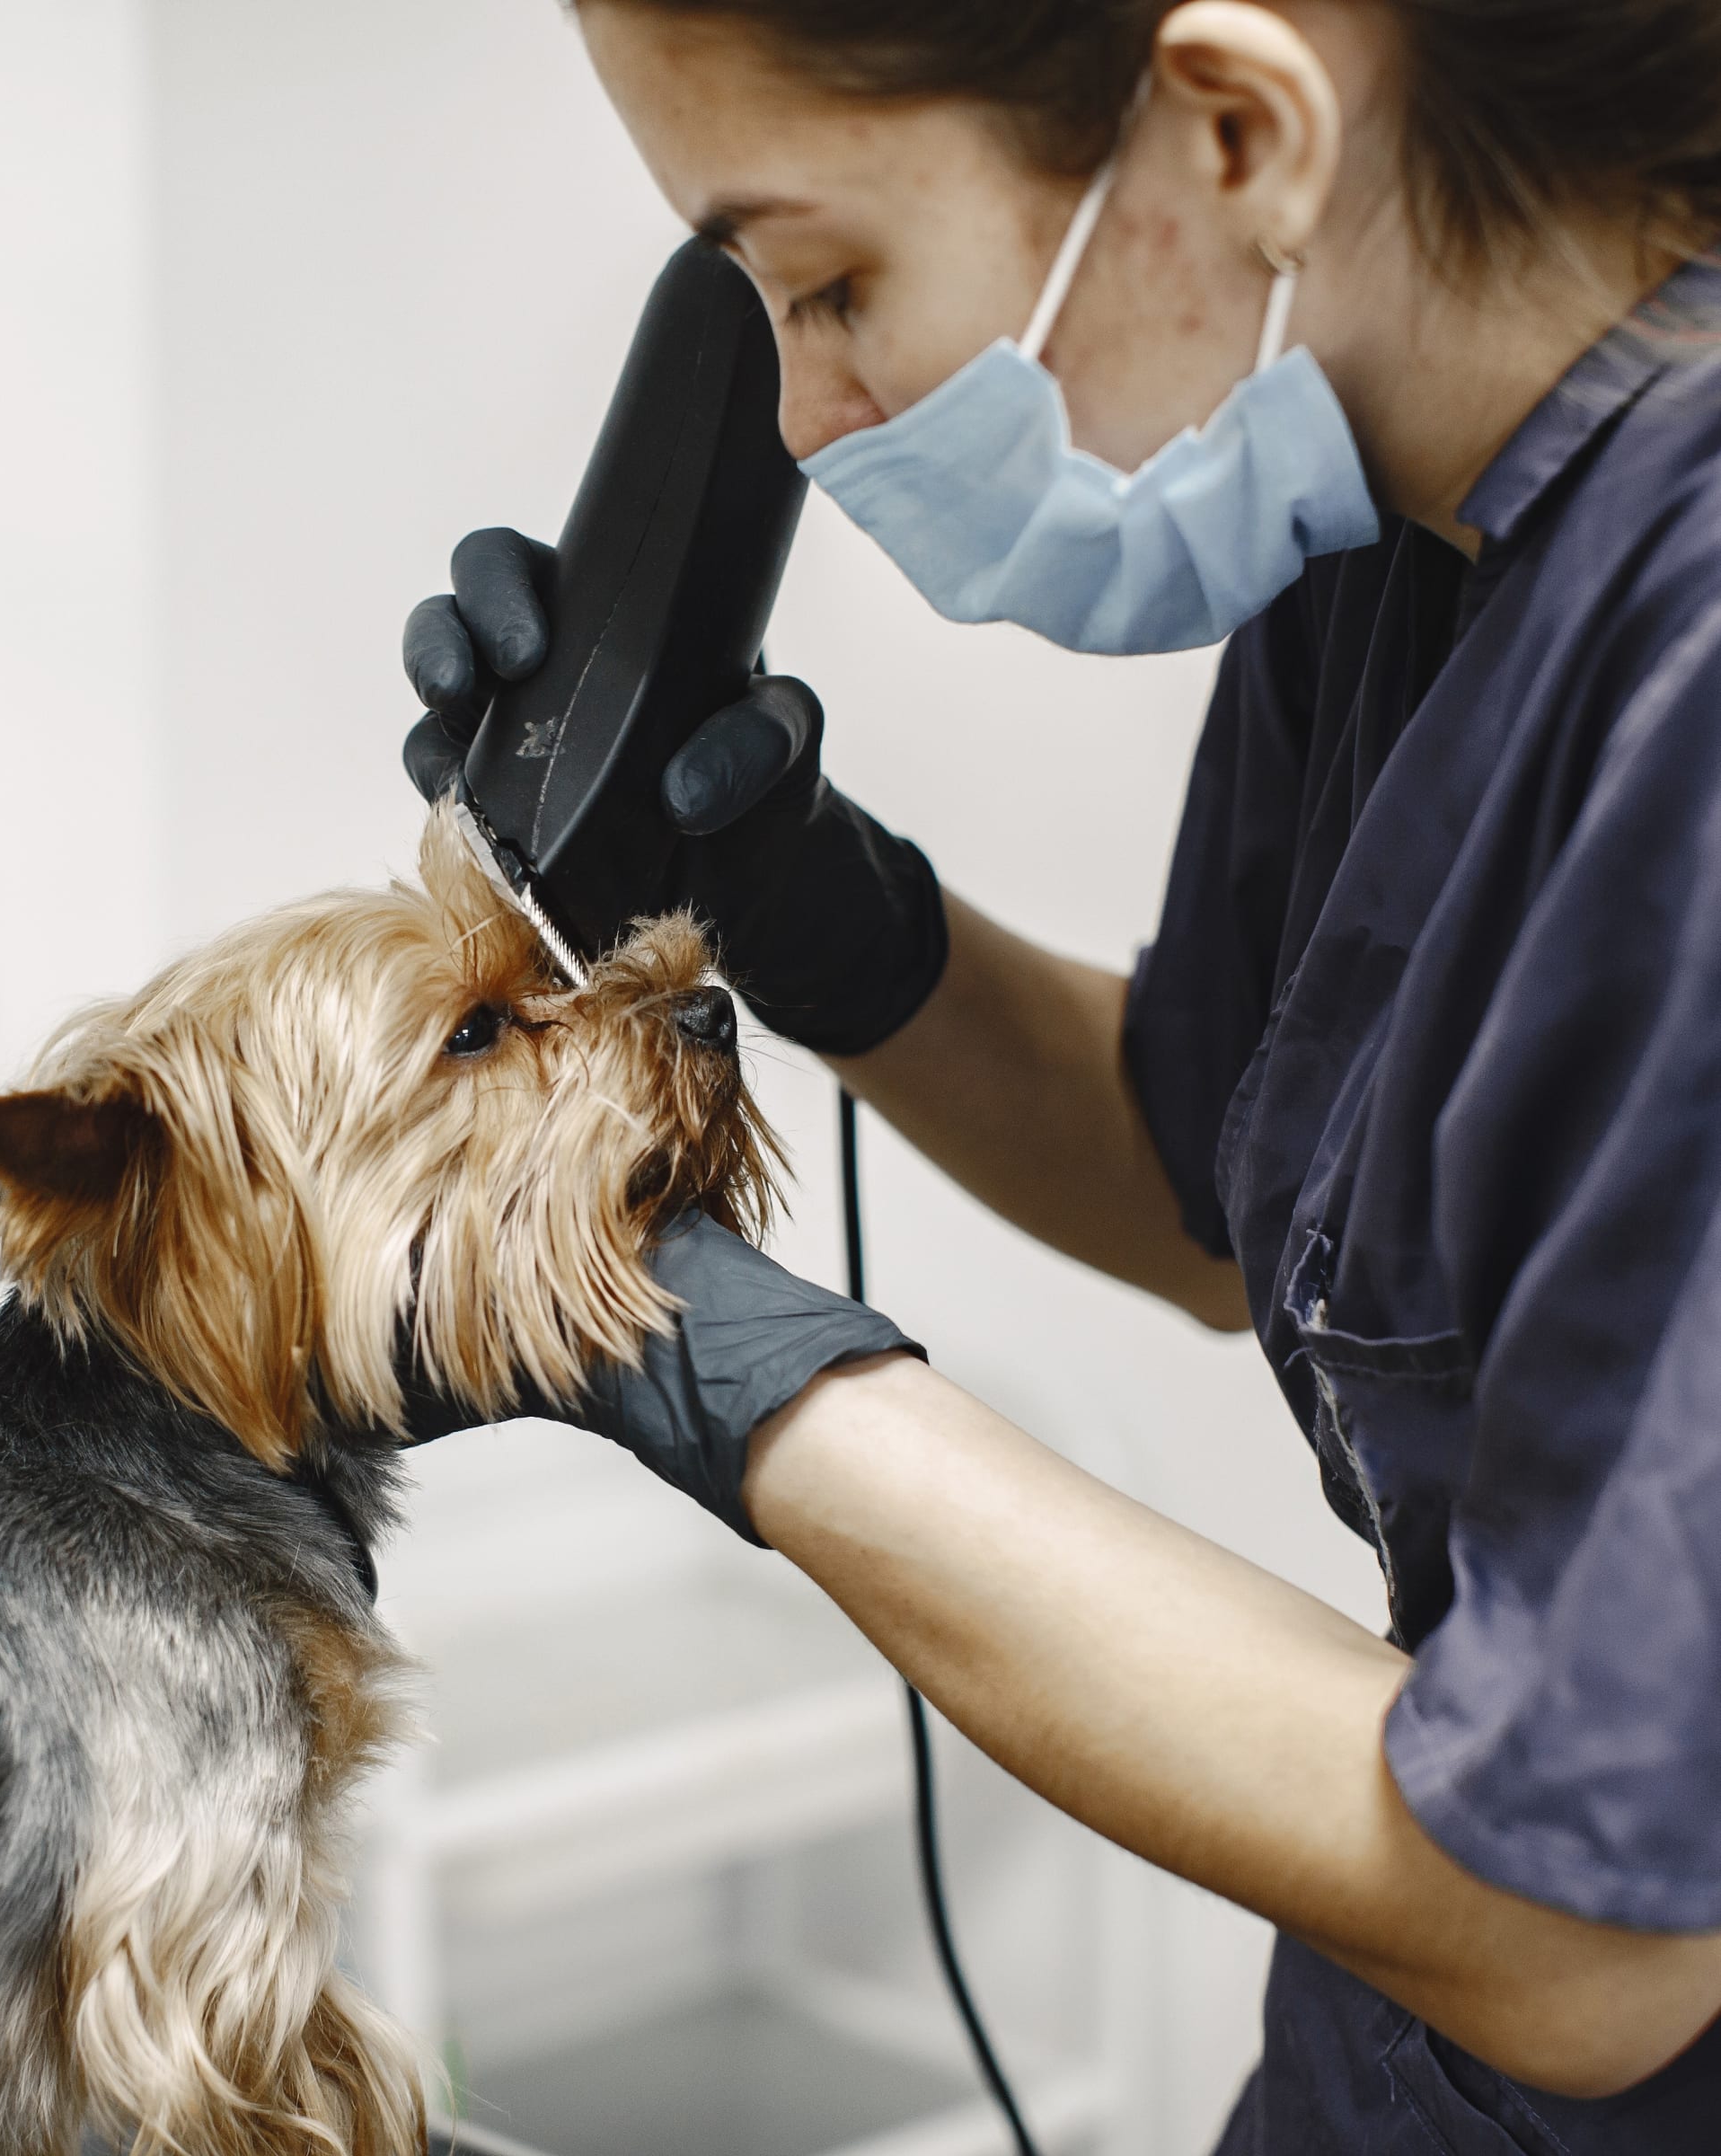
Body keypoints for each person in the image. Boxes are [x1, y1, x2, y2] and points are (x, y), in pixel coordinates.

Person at [399, 4, 1721, 2146]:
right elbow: (1221, 1190)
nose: (808, 425)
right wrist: (815, 917)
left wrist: (713, 1358)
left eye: (829, 288)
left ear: (1234, 124)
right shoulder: (1400, 525)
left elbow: (1595, 1929)